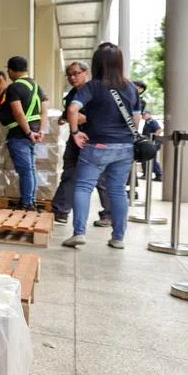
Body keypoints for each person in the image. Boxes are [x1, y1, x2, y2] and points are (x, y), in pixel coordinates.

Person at [63, 43, 141, 249]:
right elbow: (136, 119)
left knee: (83, 187)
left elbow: (72, 109)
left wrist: (75, 133)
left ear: (96, 63)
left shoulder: (92, 86)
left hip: (97, 146)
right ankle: (118, 238)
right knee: (118, 191)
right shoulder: (131, 88)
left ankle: (79, 233)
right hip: (124, 147)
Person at [50, 62, 113, 226]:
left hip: (94, 138)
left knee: (100, 177)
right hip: (75, 136)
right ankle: (60, 211)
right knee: (69, 172)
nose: (72, 77)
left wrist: (77, 118)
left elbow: (97, 116)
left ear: (86, 73)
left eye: (76, 73)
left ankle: (110, 213)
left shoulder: (96, 91)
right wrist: (64, 118)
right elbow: (69, 113)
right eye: (69, 75)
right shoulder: (72, 93)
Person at [0, 56, 47, 211]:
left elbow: (18, 113)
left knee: (25, 171)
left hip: (19, 135)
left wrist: (28, 132)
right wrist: (41, 130)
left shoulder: (14, 87)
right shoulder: (37, 87)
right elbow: (44, 111)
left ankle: (26, 203)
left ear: (11, 70)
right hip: (33, 133)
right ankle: (30, 201)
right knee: (30, 169)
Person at [142, 110, 163, 181]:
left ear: (149, 114)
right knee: (145, 159)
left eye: (145, 114)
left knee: (152, 159)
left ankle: (159, 175)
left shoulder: (152, 121)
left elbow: (159, 130)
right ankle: (146, 174)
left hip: (153, 143)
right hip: (148, 143)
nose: (143, 116)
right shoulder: (147, 122)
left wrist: (153, 138)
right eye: (143, 114)